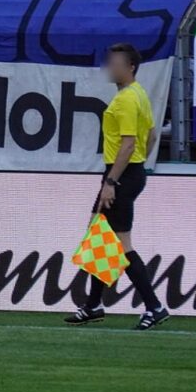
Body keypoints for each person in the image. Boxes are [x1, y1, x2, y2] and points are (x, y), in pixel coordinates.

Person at [64, 44, 170, 330]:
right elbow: (150, 134)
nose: (110, 68)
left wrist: (112, 181)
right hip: (130, 173)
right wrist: (137, 165)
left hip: (119, 175)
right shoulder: (138, 94)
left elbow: (129, 142)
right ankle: (93, 305)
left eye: (115, 63)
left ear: (131, 66)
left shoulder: (126, 100)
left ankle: (154, 306)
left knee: (120, 245)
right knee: (99, 236)